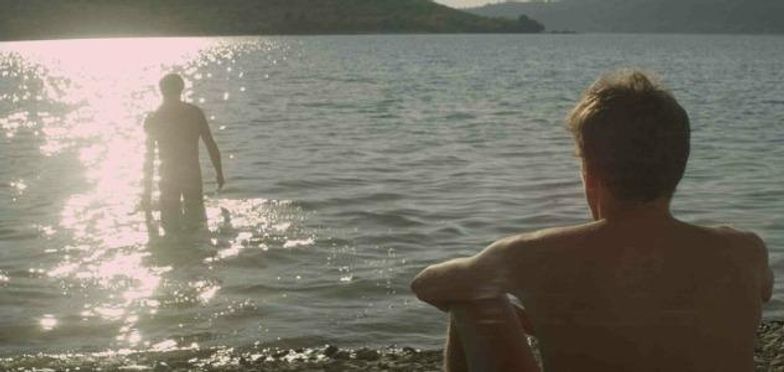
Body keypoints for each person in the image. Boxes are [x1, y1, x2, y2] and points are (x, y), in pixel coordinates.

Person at [411, 70, 773, 372]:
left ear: (590, 170)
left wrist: (525, 312)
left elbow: (428, 285)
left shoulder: (535, 254)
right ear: (679, 166)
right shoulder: (745, 250)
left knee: (473, 298)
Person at [142, 73, 224, 233]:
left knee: (169, 226)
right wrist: (219, 173)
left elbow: (149, 160)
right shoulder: (195, 113)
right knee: (197, 223)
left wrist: (147, 194)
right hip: (191, 174)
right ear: (181, 89)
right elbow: (210, 145)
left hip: (168, 177)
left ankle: (174, 254)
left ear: (161, 90)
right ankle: (194, 254)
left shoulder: (154, 118)